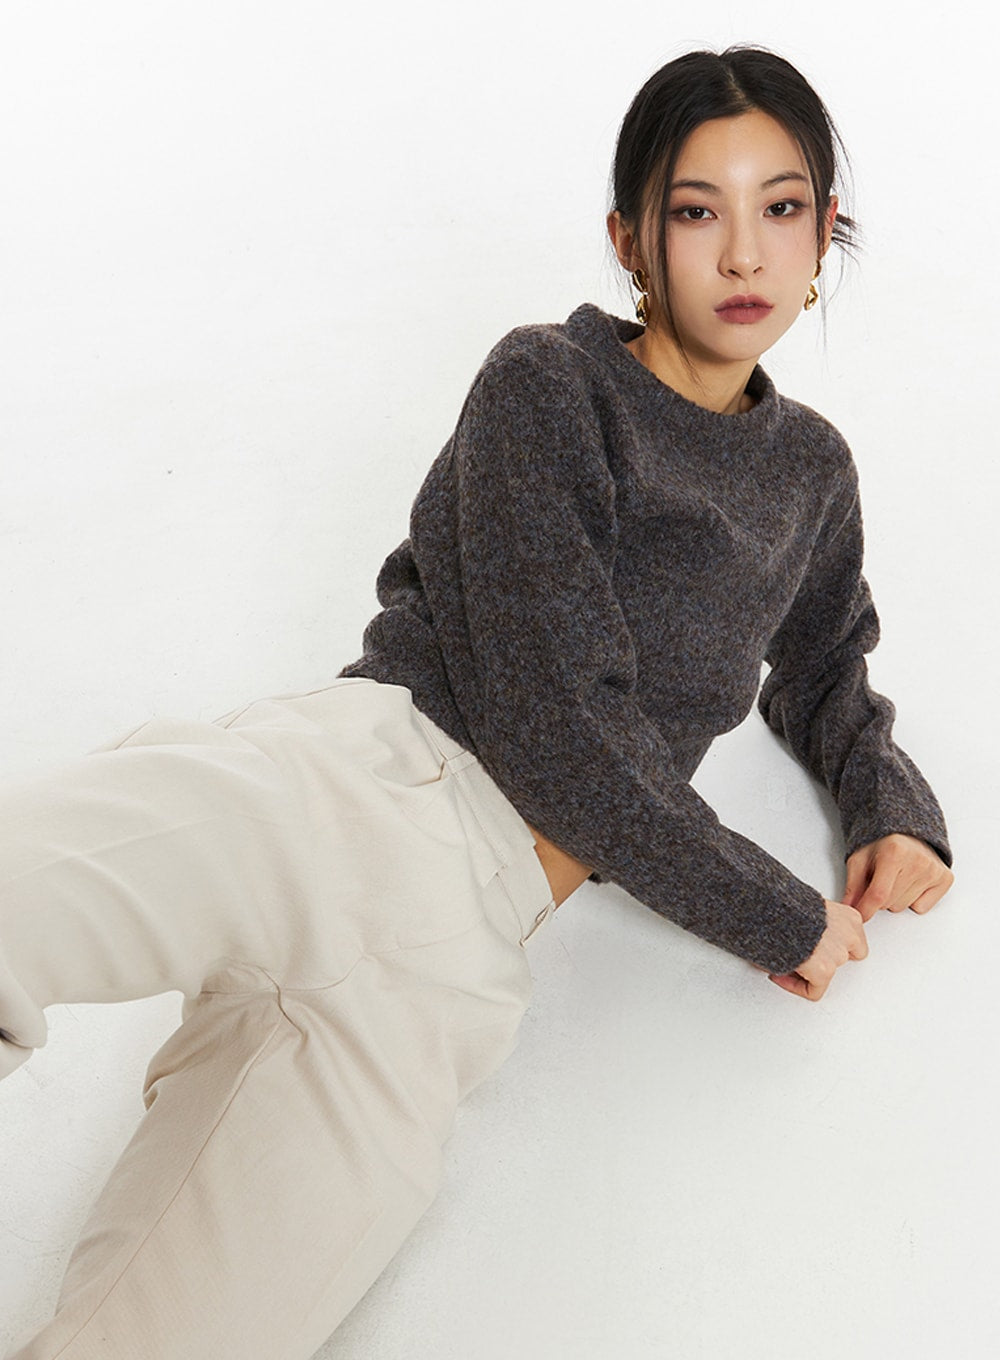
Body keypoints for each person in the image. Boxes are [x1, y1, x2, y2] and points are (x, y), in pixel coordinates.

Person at [1, 44, 953, 1360]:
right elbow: (562, 727)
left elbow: (829, 664)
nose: (744, 252)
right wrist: (779, 915)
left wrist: (888, 808)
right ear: (630, 239)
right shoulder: (548, 386)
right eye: (697, 210)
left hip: (454, 959)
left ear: (824, 228)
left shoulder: (811, 475)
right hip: (347, 790)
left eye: (781, 207)